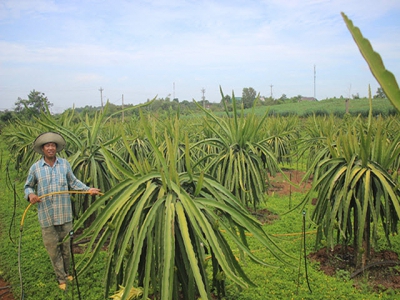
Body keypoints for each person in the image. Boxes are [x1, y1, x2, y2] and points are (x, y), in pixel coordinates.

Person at [24, 132, 101, 291]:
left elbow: (73, 182)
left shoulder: (65, 164)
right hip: (46, 216)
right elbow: (28, 186)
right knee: (53, 249)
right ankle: (61, 277)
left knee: (67, 247)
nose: (50, 148)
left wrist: (88, 190)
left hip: (65, 215)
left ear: (56, 148)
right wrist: (30, 194)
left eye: (53, 145)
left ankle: (66, 272)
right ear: (43, 149)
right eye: (47, 145)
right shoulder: (35, 168)